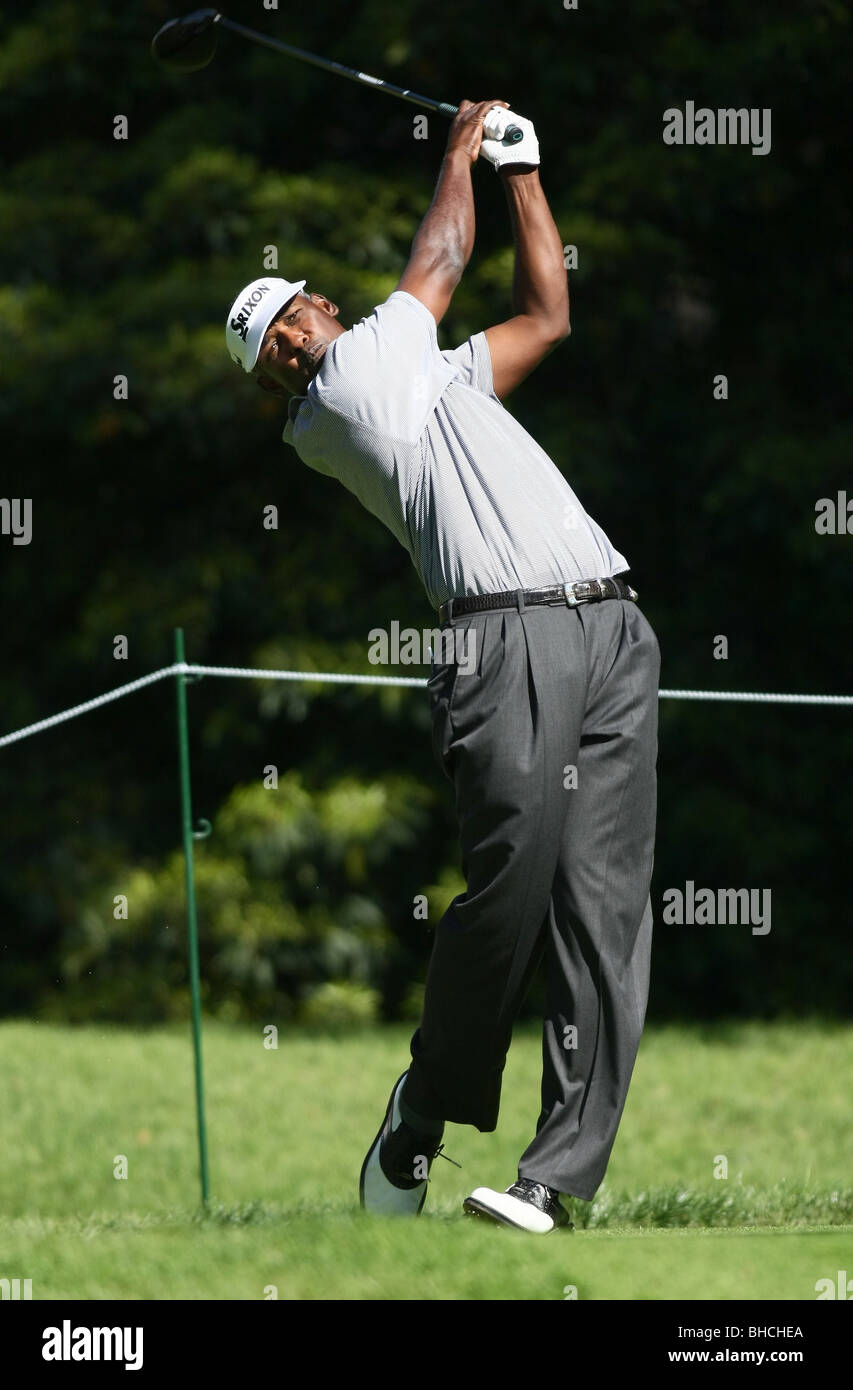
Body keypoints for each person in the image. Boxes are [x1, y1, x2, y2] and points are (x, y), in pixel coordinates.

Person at [225, 99, 660, 1235]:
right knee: (510, 891)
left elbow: (548, 315)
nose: (292, 327)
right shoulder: (344, 399)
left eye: (291, 309)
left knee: (603, 914)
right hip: (503, 638)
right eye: (275, 336)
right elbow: (442, 256)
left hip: (611, 624)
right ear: (279, 370)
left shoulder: (428, 379)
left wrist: (523, 170)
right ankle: (425, 1105)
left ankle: (553, 1182)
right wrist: (462, 144)